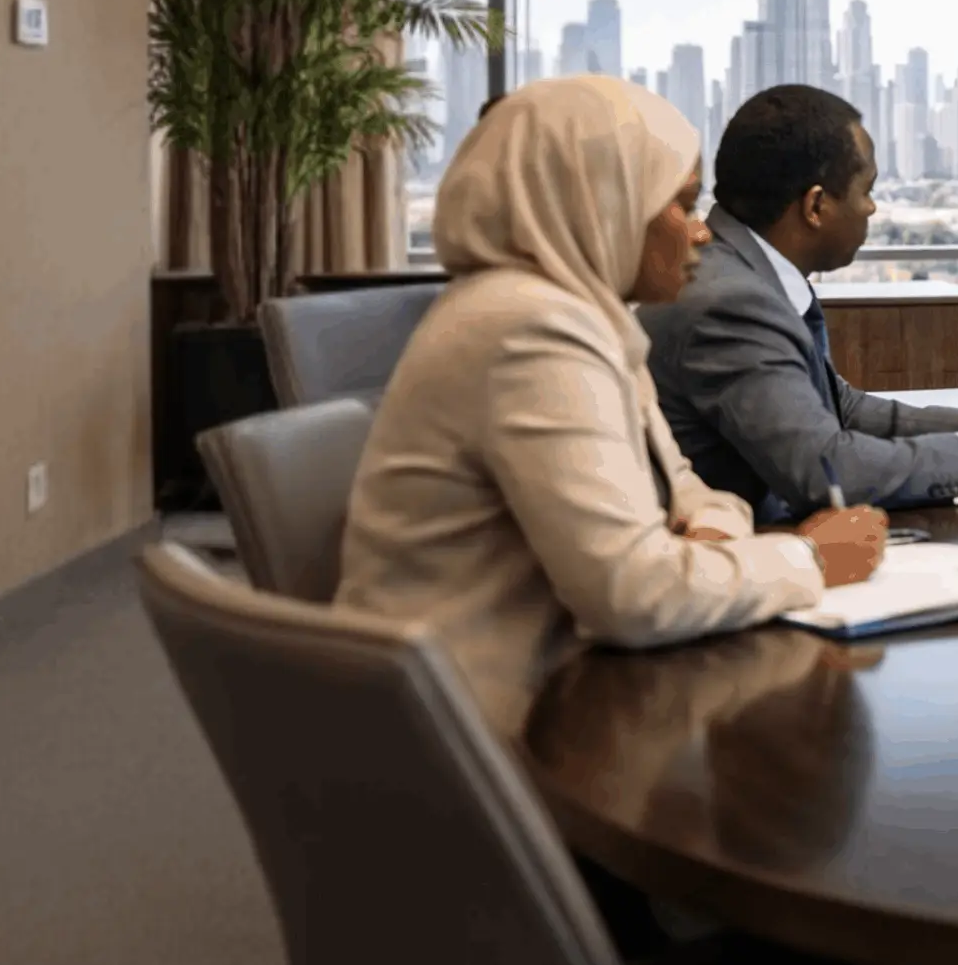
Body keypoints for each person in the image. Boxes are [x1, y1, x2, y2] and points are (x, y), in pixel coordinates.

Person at [334, 75, 889, 738]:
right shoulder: (531, 330)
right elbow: (634, 596)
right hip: (467, 737)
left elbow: (688, 489)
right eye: (682, 205)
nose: (702, 234)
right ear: (603, 204)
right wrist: (808, 559)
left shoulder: (582, 316)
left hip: (545, 695)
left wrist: (700, 540)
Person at [644, 85, 958, 520]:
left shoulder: (748, 273)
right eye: (867, 190)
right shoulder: (731, 301)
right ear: (817, 205)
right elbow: (826, 469)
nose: (872, 208)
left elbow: (839, 407)